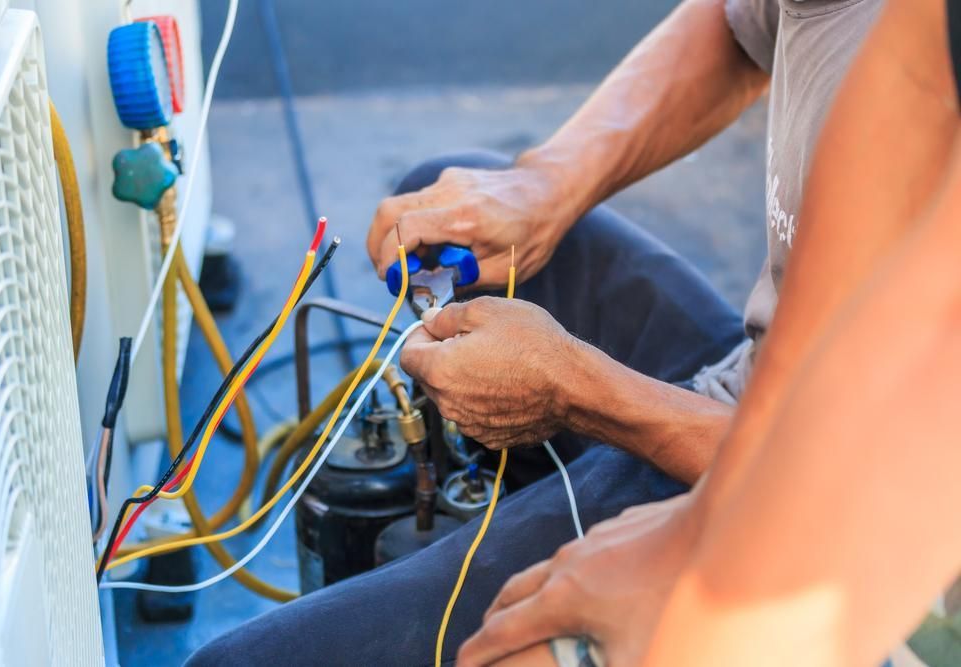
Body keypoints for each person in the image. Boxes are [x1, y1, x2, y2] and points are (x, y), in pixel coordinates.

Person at [186, 0, 952, 663]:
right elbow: (736, 26)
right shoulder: (912, 38)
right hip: (765, 411)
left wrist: (588, 397)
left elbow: (897, 472)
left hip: (867, 529)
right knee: (440, 196)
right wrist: (540, 187)